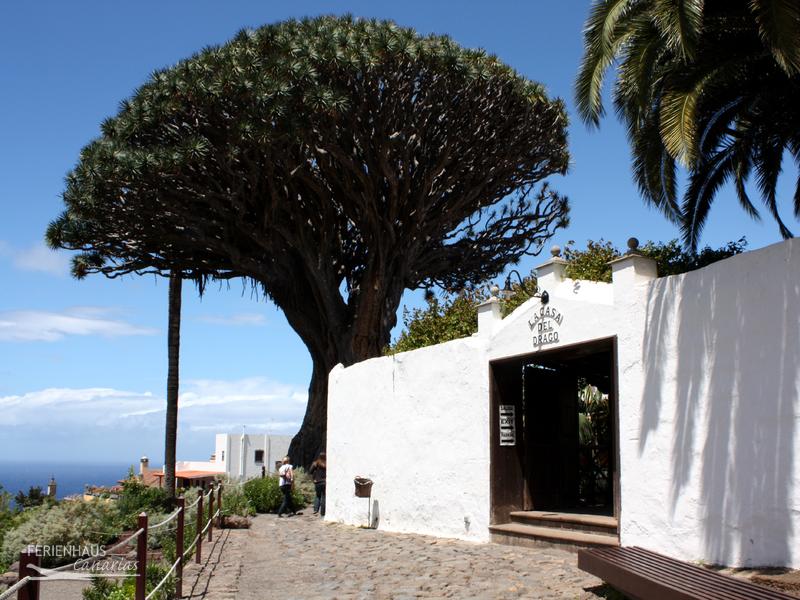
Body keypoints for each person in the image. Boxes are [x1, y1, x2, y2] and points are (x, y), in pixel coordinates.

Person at [309, 452, 326, 517]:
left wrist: (313, 479)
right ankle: (323, 513)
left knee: (318, 496)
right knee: (324, 497)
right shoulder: (327, 463)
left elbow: (310, 472)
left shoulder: (315, 463)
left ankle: (315, 510)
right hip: (324, 482)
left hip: (317, 482)